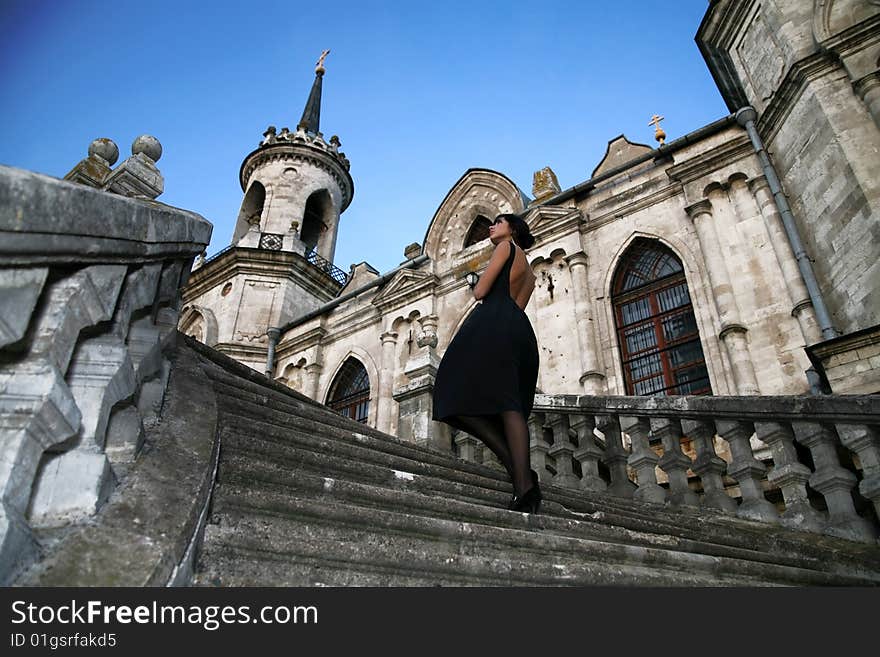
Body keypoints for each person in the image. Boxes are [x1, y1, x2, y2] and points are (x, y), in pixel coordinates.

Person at [432, 213, 541, 513]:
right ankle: (522, 479)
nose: (492, 226)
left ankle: (523, 481)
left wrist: (478, 283)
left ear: (513, 229)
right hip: (518, 328)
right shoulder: (530, 272)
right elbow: (517, 307)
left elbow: (481, 292)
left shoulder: (504, 248)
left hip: (492, 321)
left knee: (448, 389)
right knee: (509, 403)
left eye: (499, 221)